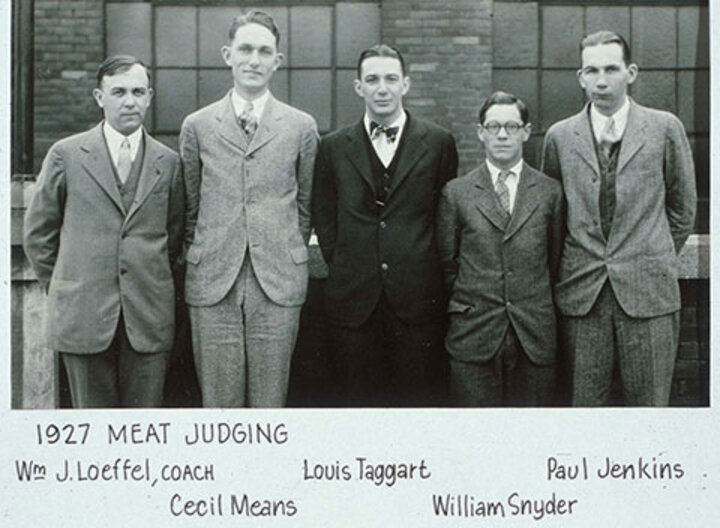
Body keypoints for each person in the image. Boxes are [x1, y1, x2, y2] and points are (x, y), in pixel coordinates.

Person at [541, 31, 696, 406]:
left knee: (649, 409)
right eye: (591, 70)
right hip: (583, 294)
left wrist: (648, 254)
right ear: (580, 76)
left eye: (611, 68)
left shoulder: (664, 128)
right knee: (585, 409)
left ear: (631, 72)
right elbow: (552, 216)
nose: (601, 80)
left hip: (649, 294)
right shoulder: (560, 136)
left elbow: (683, 209)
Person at [23, 55, 184, 408]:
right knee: (92, 430)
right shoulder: (66, 154)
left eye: (138, 91)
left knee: (143, 431)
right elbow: (38, 234)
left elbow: (173, 237)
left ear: (149, 97)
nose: (129, 101)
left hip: (147, 318)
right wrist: (68, 287)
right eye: (119, 91)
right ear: (100, 97)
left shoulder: (168, 162)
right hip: (83, 316)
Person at [180, 10, 319, 407]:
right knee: (219, 408)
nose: (254, 60)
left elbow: (305, 203)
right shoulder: (198, 125)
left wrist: (282, 244)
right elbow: (191, 204)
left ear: (278, 60)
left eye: (264, 51)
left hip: (276, 278)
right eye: (245, 49)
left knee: (269, 405)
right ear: (228, 55)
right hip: (213, 278)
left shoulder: (300, 126)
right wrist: (205, 248)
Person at [312, 44, 458, 406]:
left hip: (418, 302)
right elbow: (325, 218)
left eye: (391, 79)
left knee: (417, 407)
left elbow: (445, 217)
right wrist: (349, 263)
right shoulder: (332, 147)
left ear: (405, 84)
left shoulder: (439, 143)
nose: (382, 88)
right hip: (354, 303)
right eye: (372, 79)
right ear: (358, 86)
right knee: (356, 407)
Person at [436, 91, 564, 407]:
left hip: (532, 335)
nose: (503, 134)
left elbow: (555, 258)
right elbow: (447, 264)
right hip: (475, 334)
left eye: (511, 126)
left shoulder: (549, 192)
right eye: (494, 126)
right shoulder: (457, 193)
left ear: (525, 131)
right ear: (481, 133)